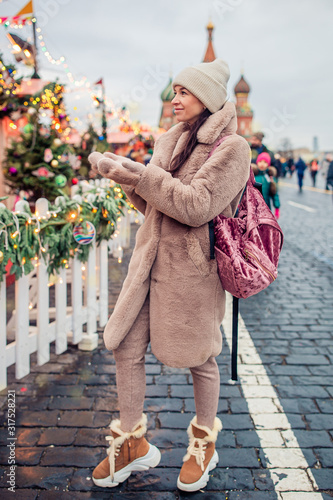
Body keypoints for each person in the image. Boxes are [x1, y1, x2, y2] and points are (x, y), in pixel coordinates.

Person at [88, 58, 250, 492]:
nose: (174, 99)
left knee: (200, 357)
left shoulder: (233, 149)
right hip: (149, 263)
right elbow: (157, 205)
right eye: (174, 91)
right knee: (124, 345)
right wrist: (126, 179)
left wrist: (141, 176)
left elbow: (197, 206)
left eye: (183, 92)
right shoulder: (170, 139)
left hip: (192, 272)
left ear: (208, 99)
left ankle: (203, 443)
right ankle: (131, 443)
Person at [252, 152, 280, 218]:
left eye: (265, 162)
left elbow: (274, 193)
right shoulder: (252, 176)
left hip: (266, 208)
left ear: (268, 164)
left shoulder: (270, 178)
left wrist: (277, 207)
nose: (262, 164)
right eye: (260, 161)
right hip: (252, 207)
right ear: (257, 162)